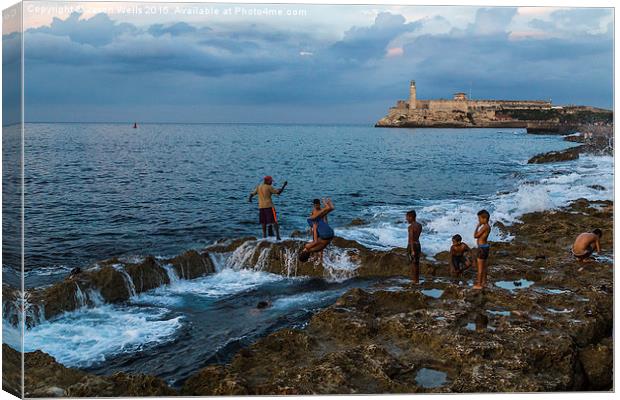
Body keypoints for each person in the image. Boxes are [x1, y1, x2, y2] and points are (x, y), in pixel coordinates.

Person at [473, 209, 491, 290]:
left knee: (480, 268)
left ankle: (479, 284)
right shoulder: (488, 227)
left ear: (484, 219)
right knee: (484, 267)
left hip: (482, 248)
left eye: (479, 218)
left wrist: (477, 226)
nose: (478, 220)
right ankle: (484, 282)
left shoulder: (484, 227)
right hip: (485, 247)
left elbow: (475, 236)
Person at [406, 210, 422, 284]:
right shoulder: (419, 225)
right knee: (417, 264)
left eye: (407, 217)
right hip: (418, 245)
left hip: (412, 245)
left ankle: (414, 280)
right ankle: (417, 280)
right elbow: (416, 237)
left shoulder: (411, 227)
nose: (406, 219)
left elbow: (411, 238)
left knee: (413, 264)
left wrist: (412, 250)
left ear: (411, 217)